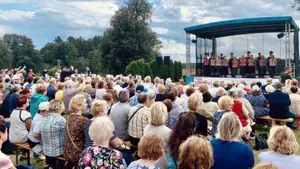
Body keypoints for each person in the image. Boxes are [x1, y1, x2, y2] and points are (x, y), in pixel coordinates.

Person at [144, 102, 171, 169]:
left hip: (148, 160)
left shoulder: (147, 127)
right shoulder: (168, 132)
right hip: (162, 162)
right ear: (164, 114)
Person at [64, 94, 88, 168]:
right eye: (85, 103)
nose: (86, 104)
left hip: (68, 150)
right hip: (78, 153)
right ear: (79, 105)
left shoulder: (69, 117)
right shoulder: (83, 120)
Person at [40, 100, 66, 169]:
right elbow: (65, 136)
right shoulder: (60, 119)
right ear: (60, 108)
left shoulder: (44, 118)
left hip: (46, 150)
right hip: (58, 151)